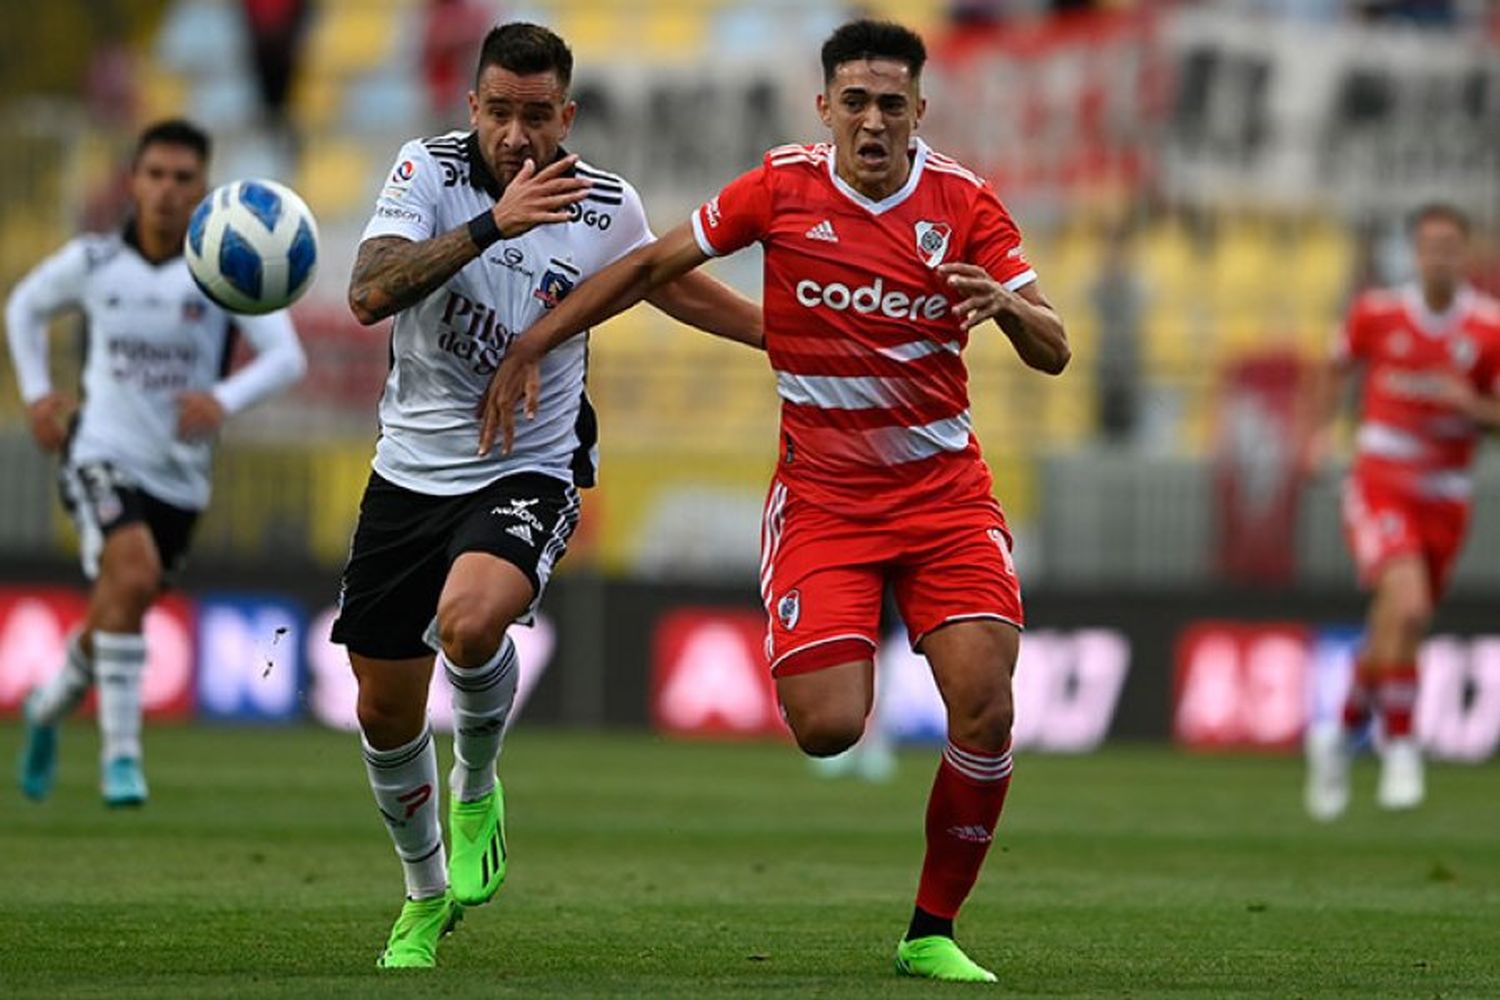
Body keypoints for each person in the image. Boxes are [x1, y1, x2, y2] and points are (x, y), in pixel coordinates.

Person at [481, 19, 1069, 983]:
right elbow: (646, 267)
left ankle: (931, 931)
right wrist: (534, 340)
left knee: (986, 706)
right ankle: (814, 638)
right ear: (824, 107)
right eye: (855, 103)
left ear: (920, 111)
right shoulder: (781, 187)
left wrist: (1009, 308)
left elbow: (1057, 351)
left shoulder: (964, 204)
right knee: (829, 725)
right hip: (826, 499)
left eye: (891, 105)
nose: (872, 122)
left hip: (942, 496)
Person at [336, 22, 761, 969]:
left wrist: (779, 335)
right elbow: (368, 295)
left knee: (472, 619)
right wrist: (494, 224)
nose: (518, 136)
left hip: (529, 460)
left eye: (538, 115)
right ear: (472, 108)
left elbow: (661, 285)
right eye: (501, 113)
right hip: (409, 468)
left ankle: (478, 778)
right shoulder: (427, 173)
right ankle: (423, 894)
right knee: (383, 711)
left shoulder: (605, 203)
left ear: (566, 114)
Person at [7, 118, 306, 807]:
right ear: (133, 182)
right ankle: (121, 758)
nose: (168, 191)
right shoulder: (92, 263)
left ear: (204, 190)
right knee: (133, 573)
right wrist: (36, 395)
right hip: (100, 453)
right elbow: (22, 308)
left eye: (183, 179)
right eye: (155, 175)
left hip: (182, 476)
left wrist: (222, 400)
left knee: (122, 598)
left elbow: (288, 356)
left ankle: (49, 707)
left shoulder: (225, 271)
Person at [1303, 203, 1500, 820]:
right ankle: (1402, 745)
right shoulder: (1377, 313)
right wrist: (1319, 435)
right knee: (1409, 606)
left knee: (1396, 622)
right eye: (1428, 245)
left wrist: (1471, 405)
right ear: (1415, 253)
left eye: (1450, 245)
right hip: (1381, 476)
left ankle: (1336, 734)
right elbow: (1334, 370)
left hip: (1446, 490)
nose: (1438, 256)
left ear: (1465, 254)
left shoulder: (1489, 330)